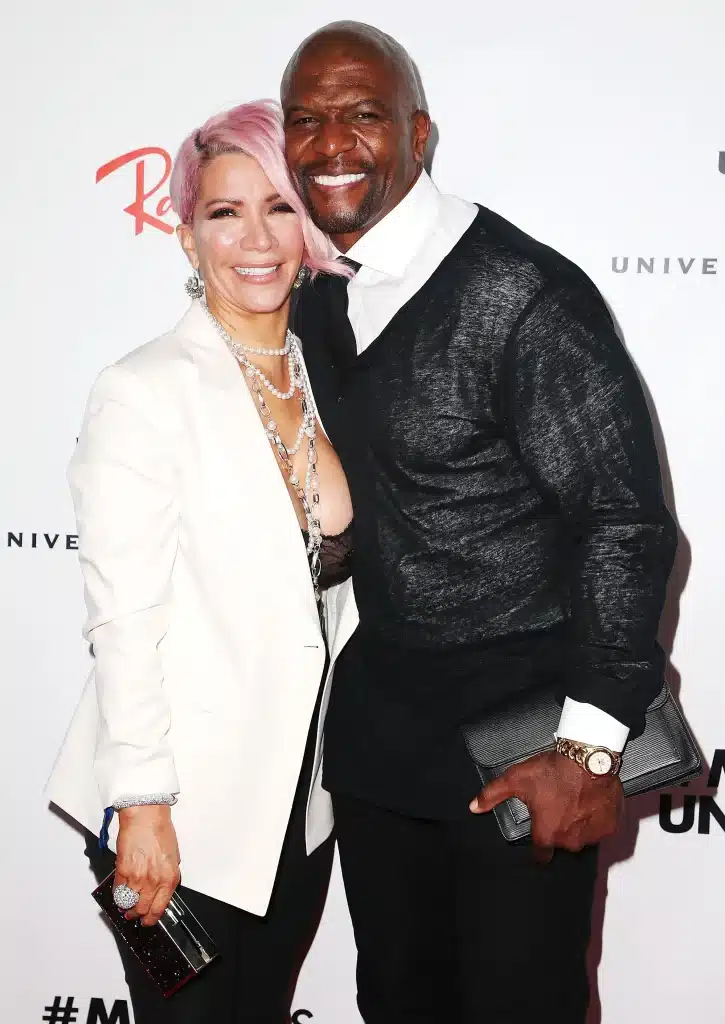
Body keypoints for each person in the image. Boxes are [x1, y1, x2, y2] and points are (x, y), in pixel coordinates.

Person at [283, 22, 678, 1024]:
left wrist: (588, 747)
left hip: (526, 749)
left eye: (362, 114)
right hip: (382, 752)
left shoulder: (520, 294)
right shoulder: (318, 300)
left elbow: (625, 521)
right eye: (305, 119)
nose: (330, 143)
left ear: (419, 133)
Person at [45, 100, 357, 1024]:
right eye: (225, 212)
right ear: (187, 237)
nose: (255, 238)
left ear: (309, 228)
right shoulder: (144, 390)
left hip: (297, 800)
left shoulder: (332, 377)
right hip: (179, 805)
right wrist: (143, 804)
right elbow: (124, 617)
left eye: (279, 207)